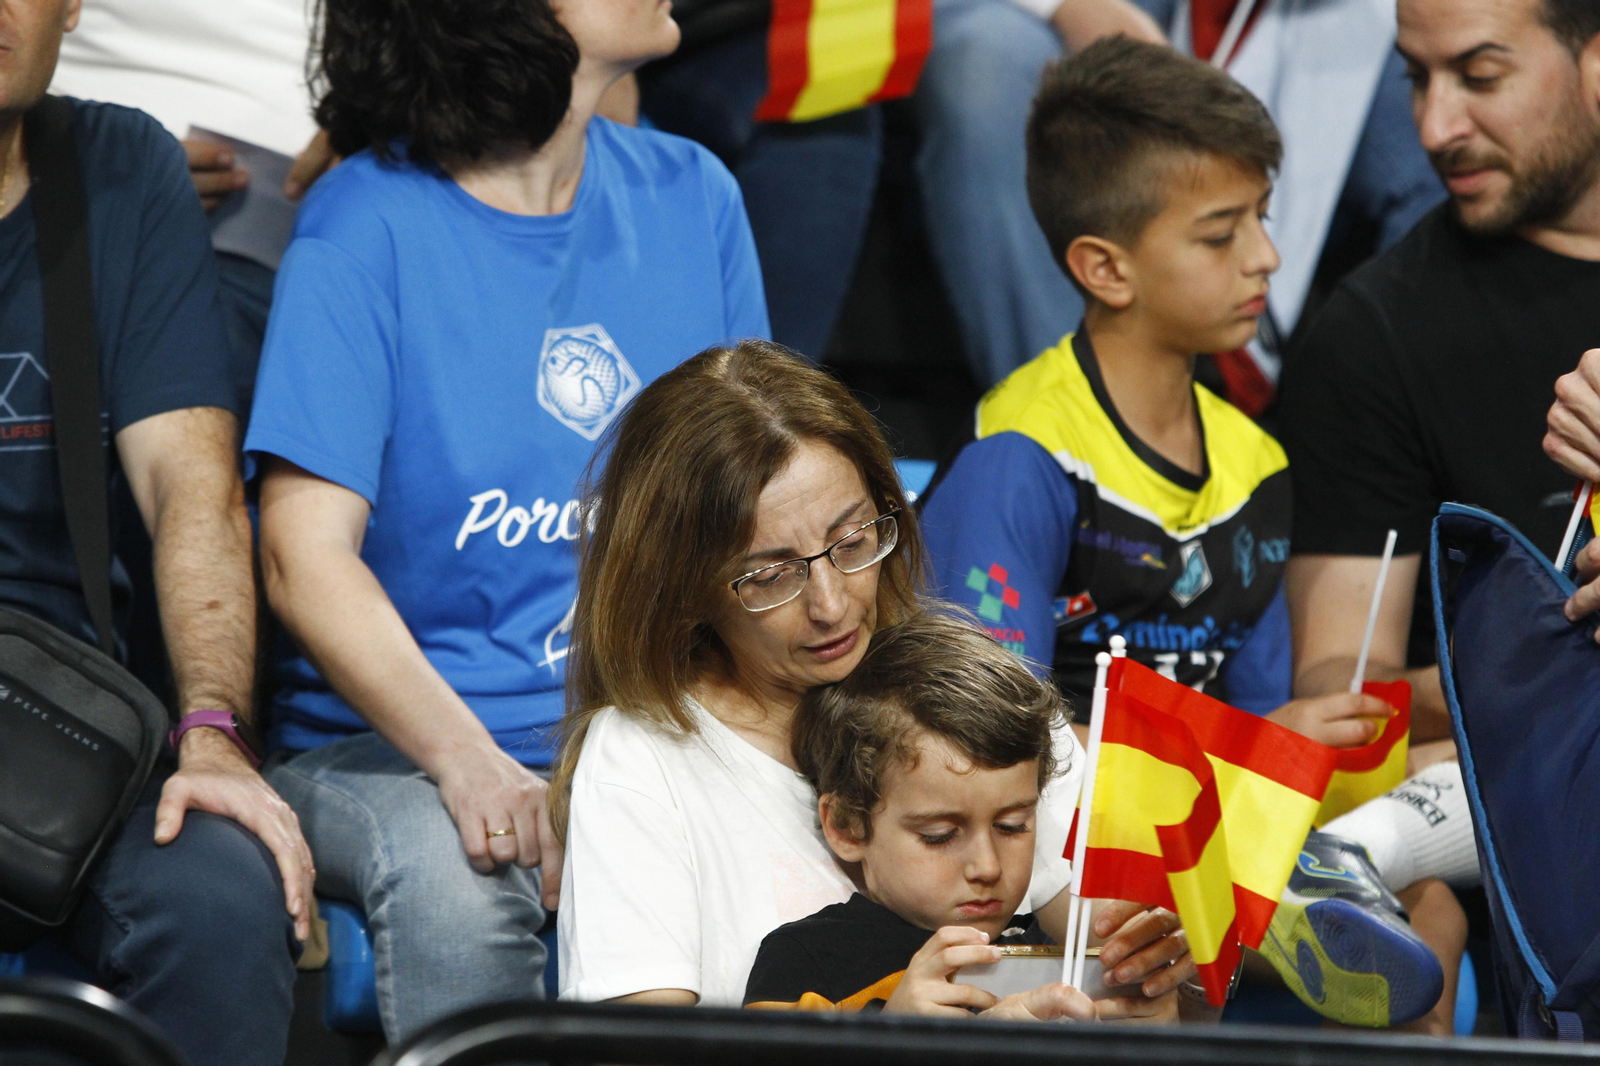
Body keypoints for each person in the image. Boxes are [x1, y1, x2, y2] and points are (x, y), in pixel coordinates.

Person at [244, 0, 767, 1043]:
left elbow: (758, 509)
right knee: (465, 870)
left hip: (638, 721)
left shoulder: (692, 193)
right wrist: (467, 756)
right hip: (390, 746)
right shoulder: (363, 224)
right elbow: (303, 558)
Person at [919, 38, 1457, 1031]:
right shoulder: (1021, 452)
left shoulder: (1256, 463)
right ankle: (1266, 904)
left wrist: (1299, 744)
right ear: (1105, 267)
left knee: (1435, 901)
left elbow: (1265, 713)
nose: (1266, 255)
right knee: (1152, 924)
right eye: (1221, 233)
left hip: (1206, 810)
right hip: (1045, 841)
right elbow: (986, 741)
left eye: (1260, 215)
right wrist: (1242, 758)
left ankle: (1288, 891)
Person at [554, 340, 1200, 1017]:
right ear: (683, 589)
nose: (832, 605)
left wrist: (1158, 963)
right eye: (772, 574)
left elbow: (1122, 966)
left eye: (854, 541)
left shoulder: (974, 693)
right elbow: (629, 1054)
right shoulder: (641, 760)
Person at [0, 3, 314, 1065]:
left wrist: (214, 732)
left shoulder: (120, 163)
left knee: (221, 894)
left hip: (56, 724)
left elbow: (193, 485)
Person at [1277, 0, 1600, 908]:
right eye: (1415, 78)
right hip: (1511, 799)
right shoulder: (1376, 333)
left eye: (1480, 77)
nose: (1434, 126)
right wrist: (1547, 665)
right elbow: (1343, 690)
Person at [641, 0, 1160, 376]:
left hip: (902, 14)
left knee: (989, 65)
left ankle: (1079, 421)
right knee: (823, 123)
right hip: (729, 26)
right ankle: (742, 440)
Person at [742, 609, 1100, 1021]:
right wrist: (892, 1037)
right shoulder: (808, 959)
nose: (987, 867)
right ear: (847, 825)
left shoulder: (1056, 962)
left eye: (1012, 826)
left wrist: (1156, 1019)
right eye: (940, 834)